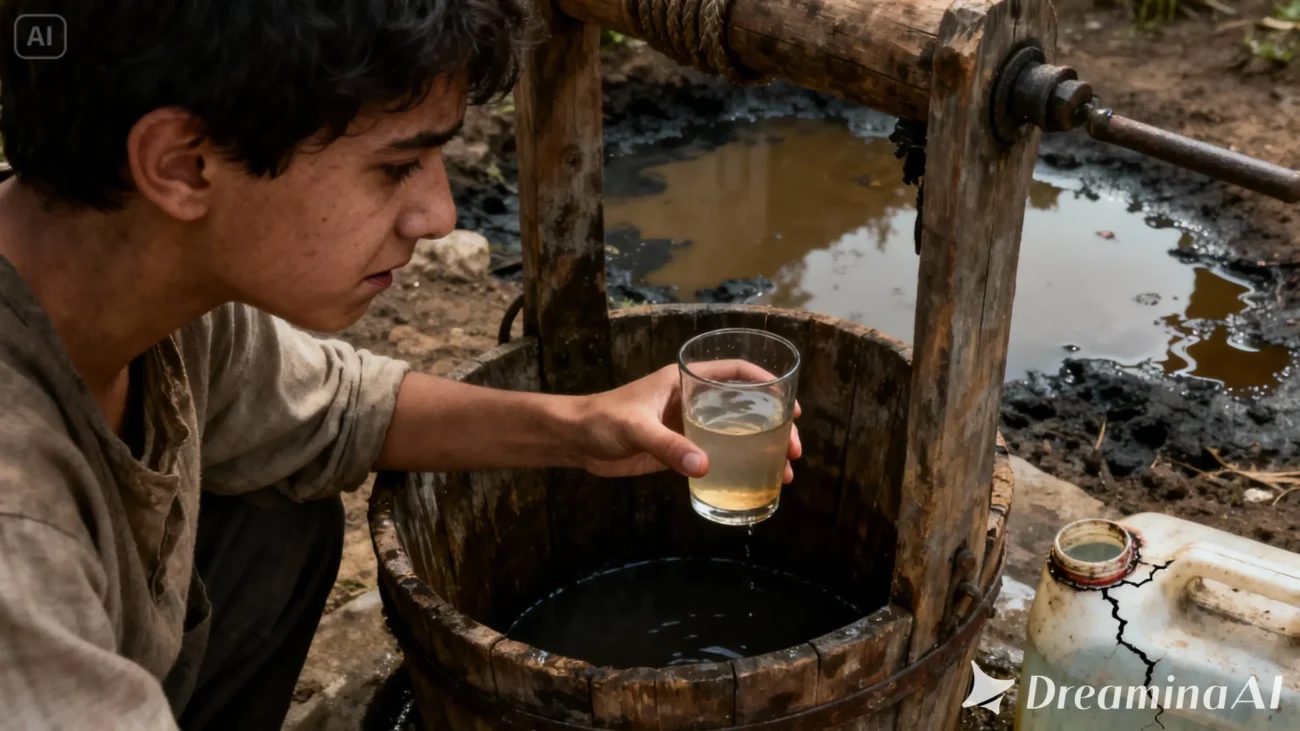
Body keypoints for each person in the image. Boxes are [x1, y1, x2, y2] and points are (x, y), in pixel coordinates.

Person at [0, 1, 801, 729]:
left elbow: (339, 409)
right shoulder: (19, 532)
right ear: (181, 164)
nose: (438, 215)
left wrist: (585, 424)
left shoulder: (161, 304)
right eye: (395, 166)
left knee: (274, 511)